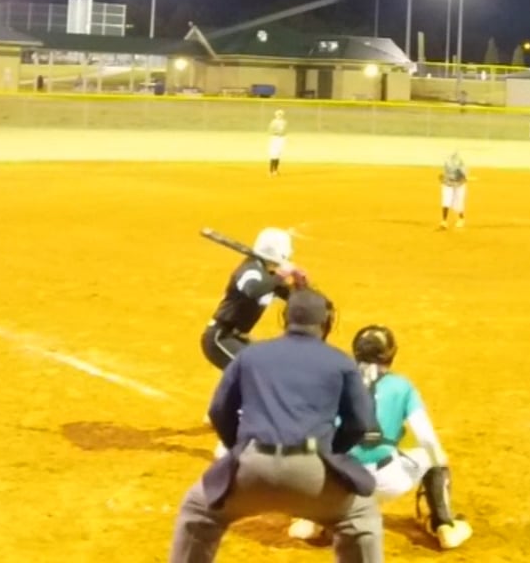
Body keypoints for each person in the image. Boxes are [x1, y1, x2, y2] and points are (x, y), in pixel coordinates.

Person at [168, 289, 382, 563]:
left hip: (251, 468)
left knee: (198, 510)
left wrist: (241, 449)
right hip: (313, 474)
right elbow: (360, 423)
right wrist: (330, 455)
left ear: (285, 319)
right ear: (326, 323)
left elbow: (219, 411)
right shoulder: (341, 362)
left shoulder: (250, 355)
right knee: (360, 515)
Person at [288, 325, 473, 550]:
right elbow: (428, 440)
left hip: (339, 486)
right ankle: (444, 525)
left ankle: (310, 518)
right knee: (432, 456)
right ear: (390, 355)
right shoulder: (402, 387)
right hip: (386, 483)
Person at [201, 228, 303, 371]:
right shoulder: (251, 270)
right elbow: (253, 290)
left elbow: (298, 299)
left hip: (240, 339)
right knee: (254, 372)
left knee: (271, 370)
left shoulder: (269, 275)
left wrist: (300, 282)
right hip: (221, 338)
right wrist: (280, 276)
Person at [438, 153, 468, 231]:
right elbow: (443, 175)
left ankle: (461, 218)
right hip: (448, 184)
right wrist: (442, 177)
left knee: (458, 202)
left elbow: (464, 177)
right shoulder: (447, 164)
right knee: (446, 201)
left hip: (459, 185)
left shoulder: (462, 166)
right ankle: (444, 221)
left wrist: (460, 178)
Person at [267, 109, 289, 176]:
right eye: (278, 114)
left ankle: (275, 170)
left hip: (281, 138)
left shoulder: (284, 122)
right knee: (273, 154)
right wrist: (276, 133)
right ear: (276, 115)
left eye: (281, 114)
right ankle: (270, 171)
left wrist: (283, 135)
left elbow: (285, 130)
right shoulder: (273, 122)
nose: (279, 115)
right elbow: (270, 130)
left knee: (278, 154)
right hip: (275, 138)